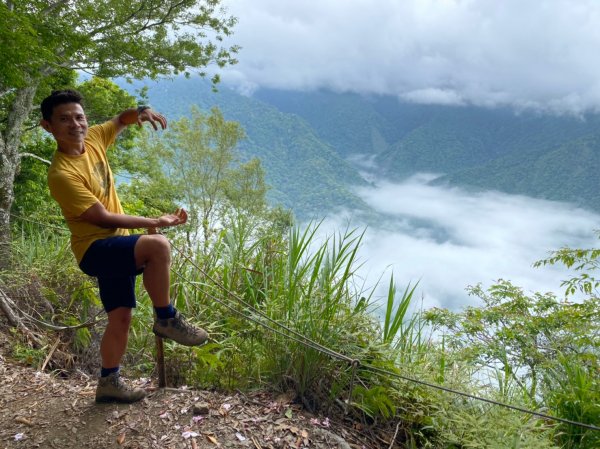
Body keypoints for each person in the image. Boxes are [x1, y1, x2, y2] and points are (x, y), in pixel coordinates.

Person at [41, 89, 208, 404]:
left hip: (115, 246)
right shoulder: (61, 174)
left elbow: (120, 120)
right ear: (47, 126)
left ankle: (108, 382)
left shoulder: (93, 139)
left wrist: (141, 111)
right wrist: (152, 221)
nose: (75, 124)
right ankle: (166, 318)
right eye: (64, 119)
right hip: (95, 250)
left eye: (79, 117)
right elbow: (102, 218)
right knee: (157, 246)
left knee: (120, 317)